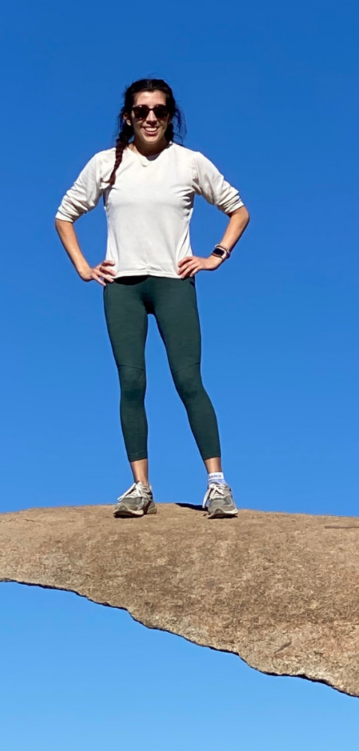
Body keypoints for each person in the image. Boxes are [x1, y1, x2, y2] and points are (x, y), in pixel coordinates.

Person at [54, 78, 250, 519]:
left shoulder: (189, 163)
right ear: (128, 116)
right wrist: (84, 267)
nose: (150, 118)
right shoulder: (106, 164)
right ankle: (141, 488)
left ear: (170, 116)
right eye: (142, 110)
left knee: (188, 380)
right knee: (132, 384)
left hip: (173, 283)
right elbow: (64, 215)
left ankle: (218, 485)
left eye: (159, 111)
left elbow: (238, 209)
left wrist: (216, 255)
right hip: (121, 287)